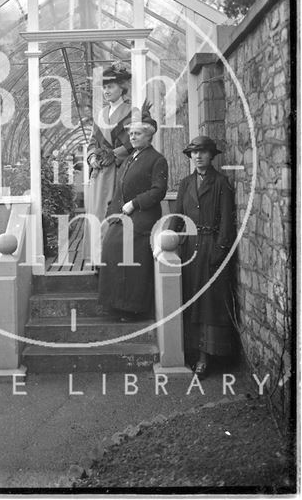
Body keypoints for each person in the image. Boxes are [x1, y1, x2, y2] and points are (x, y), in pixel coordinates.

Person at [172, 135, 236, 379]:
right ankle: (192, 352)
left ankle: (207, 358)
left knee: (210, 303)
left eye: (203, 152)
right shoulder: (185, 183)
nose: (198, 156)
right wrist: (165, 239)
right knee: (192, 299)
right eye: (194, 153)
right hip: (190, 249)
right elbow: (177, 218)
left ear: (212, 155)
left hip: (211, 247)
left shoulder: (221, 183)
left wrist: (219, 251)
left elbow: (227, 223)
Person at [98, 103, 168, 321]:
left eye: (138, 134)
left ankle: (133, 308)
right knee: (110, 247)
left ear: (149, 137)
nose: (134, 137)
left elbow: (159, 191)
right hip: (123, 216)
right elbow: (120, 190)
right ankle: (114, 305)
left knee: (130, 256)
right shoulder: (130, 158)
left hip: (143, 217)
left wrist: (135, 203)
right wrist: (113, 214)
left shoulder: (157, 159)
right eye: (132, 134)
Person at [83, 62, 135, 265]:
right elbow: (92, 142)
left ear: (122, 87)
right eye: (104, 87)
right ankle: (97, 260)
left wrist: (114, 154)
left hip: (121, 171)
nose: (106, 91)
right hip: (100, 174)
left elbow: (134, 140)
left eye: (110, 86)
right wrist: (93, 158)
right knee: (97, 213)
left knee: (115, 212)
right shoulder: (100, 115)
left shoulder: (132, 112)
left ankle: (115, 260)